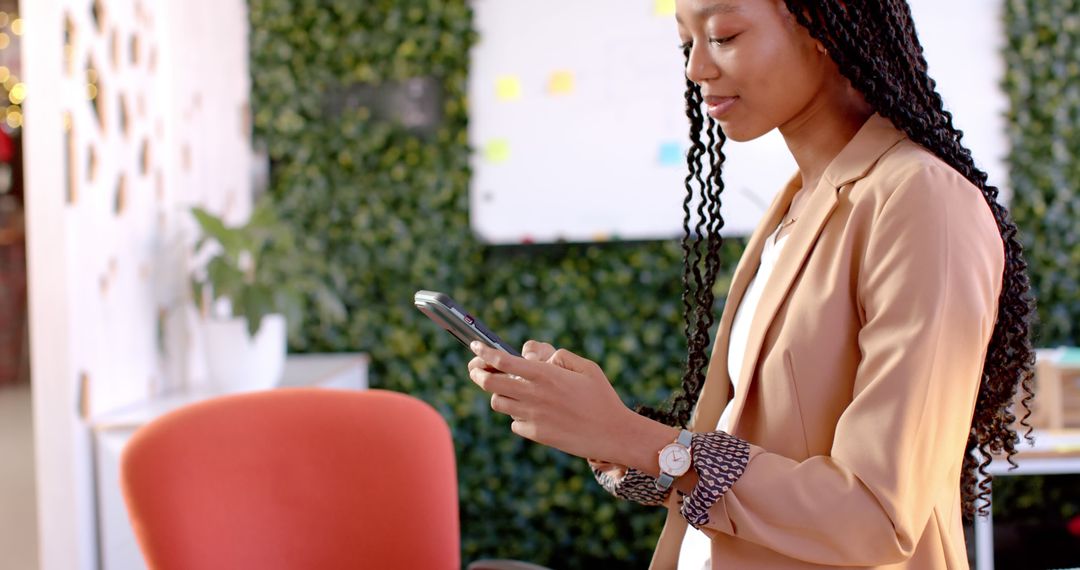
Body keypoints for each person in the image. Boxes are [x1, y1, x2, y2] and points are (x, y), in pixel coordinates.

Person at [466, 0, 1036, 567]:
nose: (695, 69)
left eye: (724, 36)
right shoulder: (796, 204)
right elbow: (736, 476)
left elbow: (874, 516)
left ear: (824, 24)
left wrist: (634, 438)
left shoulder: (921, 202)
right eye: (686, 44)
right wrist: (604, 434)